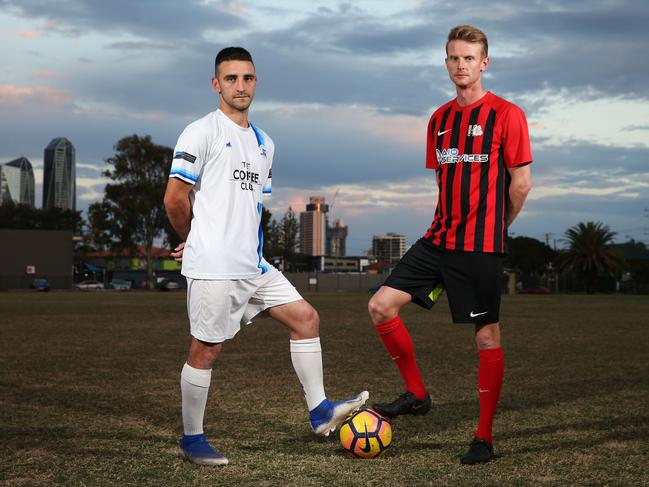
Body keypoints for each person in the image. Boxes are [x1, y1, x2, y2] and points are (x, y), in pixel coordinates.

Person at [164, 47, 368, 466]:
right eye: (232, 78)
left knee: (306, 319)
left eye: (248, 78)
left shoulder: (264, 143)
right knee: (206, 349)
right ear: (216, 83)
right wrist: (194, 235)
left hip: (253, 264)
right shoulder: (199, 132)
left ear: (256, 82)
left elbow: (252, 206)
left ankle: (320, 412)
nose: (241, 85)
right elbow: (174, 199)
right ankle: (192, 438)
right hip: (215, 264)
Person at [368, 25, 532, 465]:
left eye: (469, 58)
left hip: (480, 247)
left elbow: (522, 184)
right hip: (438, 238)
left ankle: (483, 437)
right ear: (446, 64)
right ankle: (417, 394)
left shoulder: (507, 114)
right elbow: (444, 180)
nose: (461, 65)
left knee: (486, 336)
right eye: (454, 58)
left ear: (484, 63)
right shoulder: (439, 121)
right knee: (381, 305)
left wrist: (498, 228)